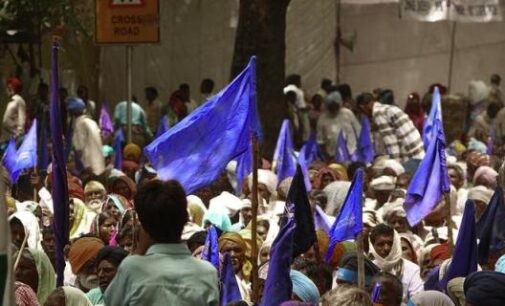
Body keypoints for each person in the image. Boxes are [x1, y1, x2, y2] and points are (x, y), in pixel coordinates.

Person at [104, 180, 219, 305]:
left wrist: (138, 251)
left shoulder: (131, 269)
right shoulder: (207, 273)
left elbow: (111, 302)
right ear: (185, 219)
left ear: (144, 227)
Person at [357, 92, 424, 161]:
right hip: (417, 151)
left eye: (362, 112)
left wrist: (395, 165)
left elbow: (391, 142)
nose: (364, 115)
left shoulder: (378, 114)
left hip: (412, 155)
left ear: (363, 107)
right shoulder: (385, 108)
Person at [369, 224, 424, 302]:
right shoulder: (369, 268)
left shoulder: (412, 269)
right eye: (380, 244)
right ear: (373, 247)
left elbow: (417, 299)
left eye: (390, 243)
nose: (386, 248)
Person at [67, 97, 105, 175]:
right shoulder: (91, 122)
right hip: (100, 166)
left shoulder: (79, 123)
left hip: (88, 168)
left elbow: (79, 148)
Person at [316, 91, 361, 158]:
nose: (334, 110)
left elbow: (358, 131)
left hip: (352, 152)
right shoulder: (322, 119)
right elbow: (321, 141)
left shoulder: (347, 113)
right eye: (331, 107)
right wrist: (326, 156)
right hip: (334, 155)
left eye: (336, 106)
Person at [1, 76, 26, 142]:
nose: (8, 89)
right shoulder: (7, 100)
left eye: (11, 88)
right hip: (4, 136)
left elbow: (22, 119)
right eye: (8, 88)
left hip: (13, 137)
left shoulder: (19, 100)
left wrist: (18, 134)